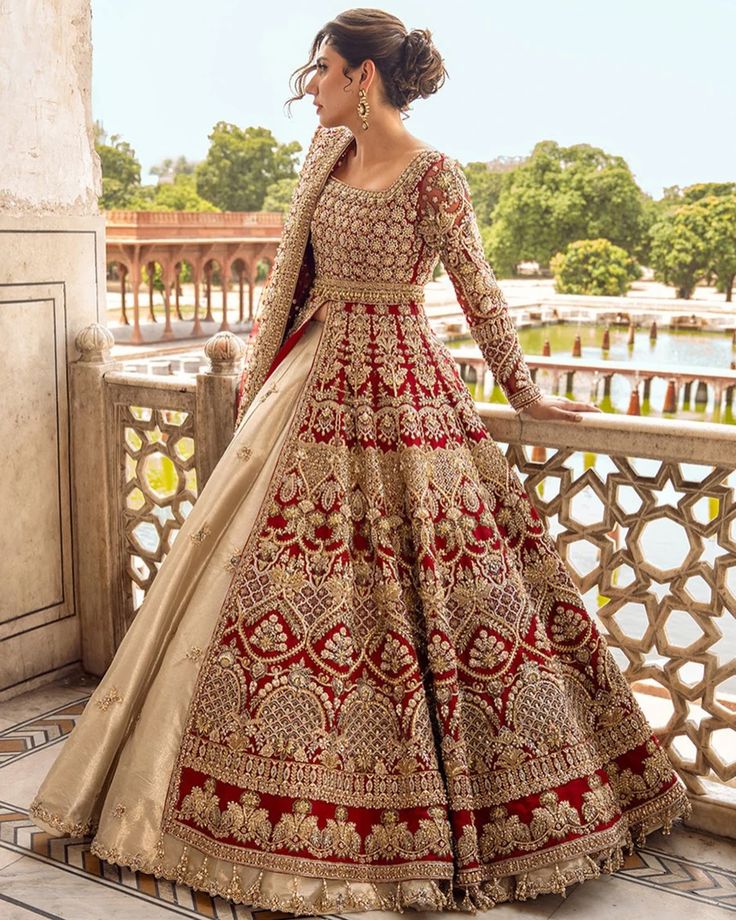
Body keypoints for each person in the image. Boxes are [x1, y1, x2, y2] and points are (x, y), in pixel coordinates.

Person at [29, 8, 690, 914]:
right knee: (282, 593)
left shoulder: (433, 176)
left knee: (435, 600)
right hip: (308, 392)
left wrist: (527, 394)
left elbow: (478, 290)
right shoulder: (320, 162)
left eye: (325, 70)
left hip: (408, 397)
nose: (314, 85)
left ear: (365, 79)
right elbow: (284, 282)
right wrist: (256, 379)